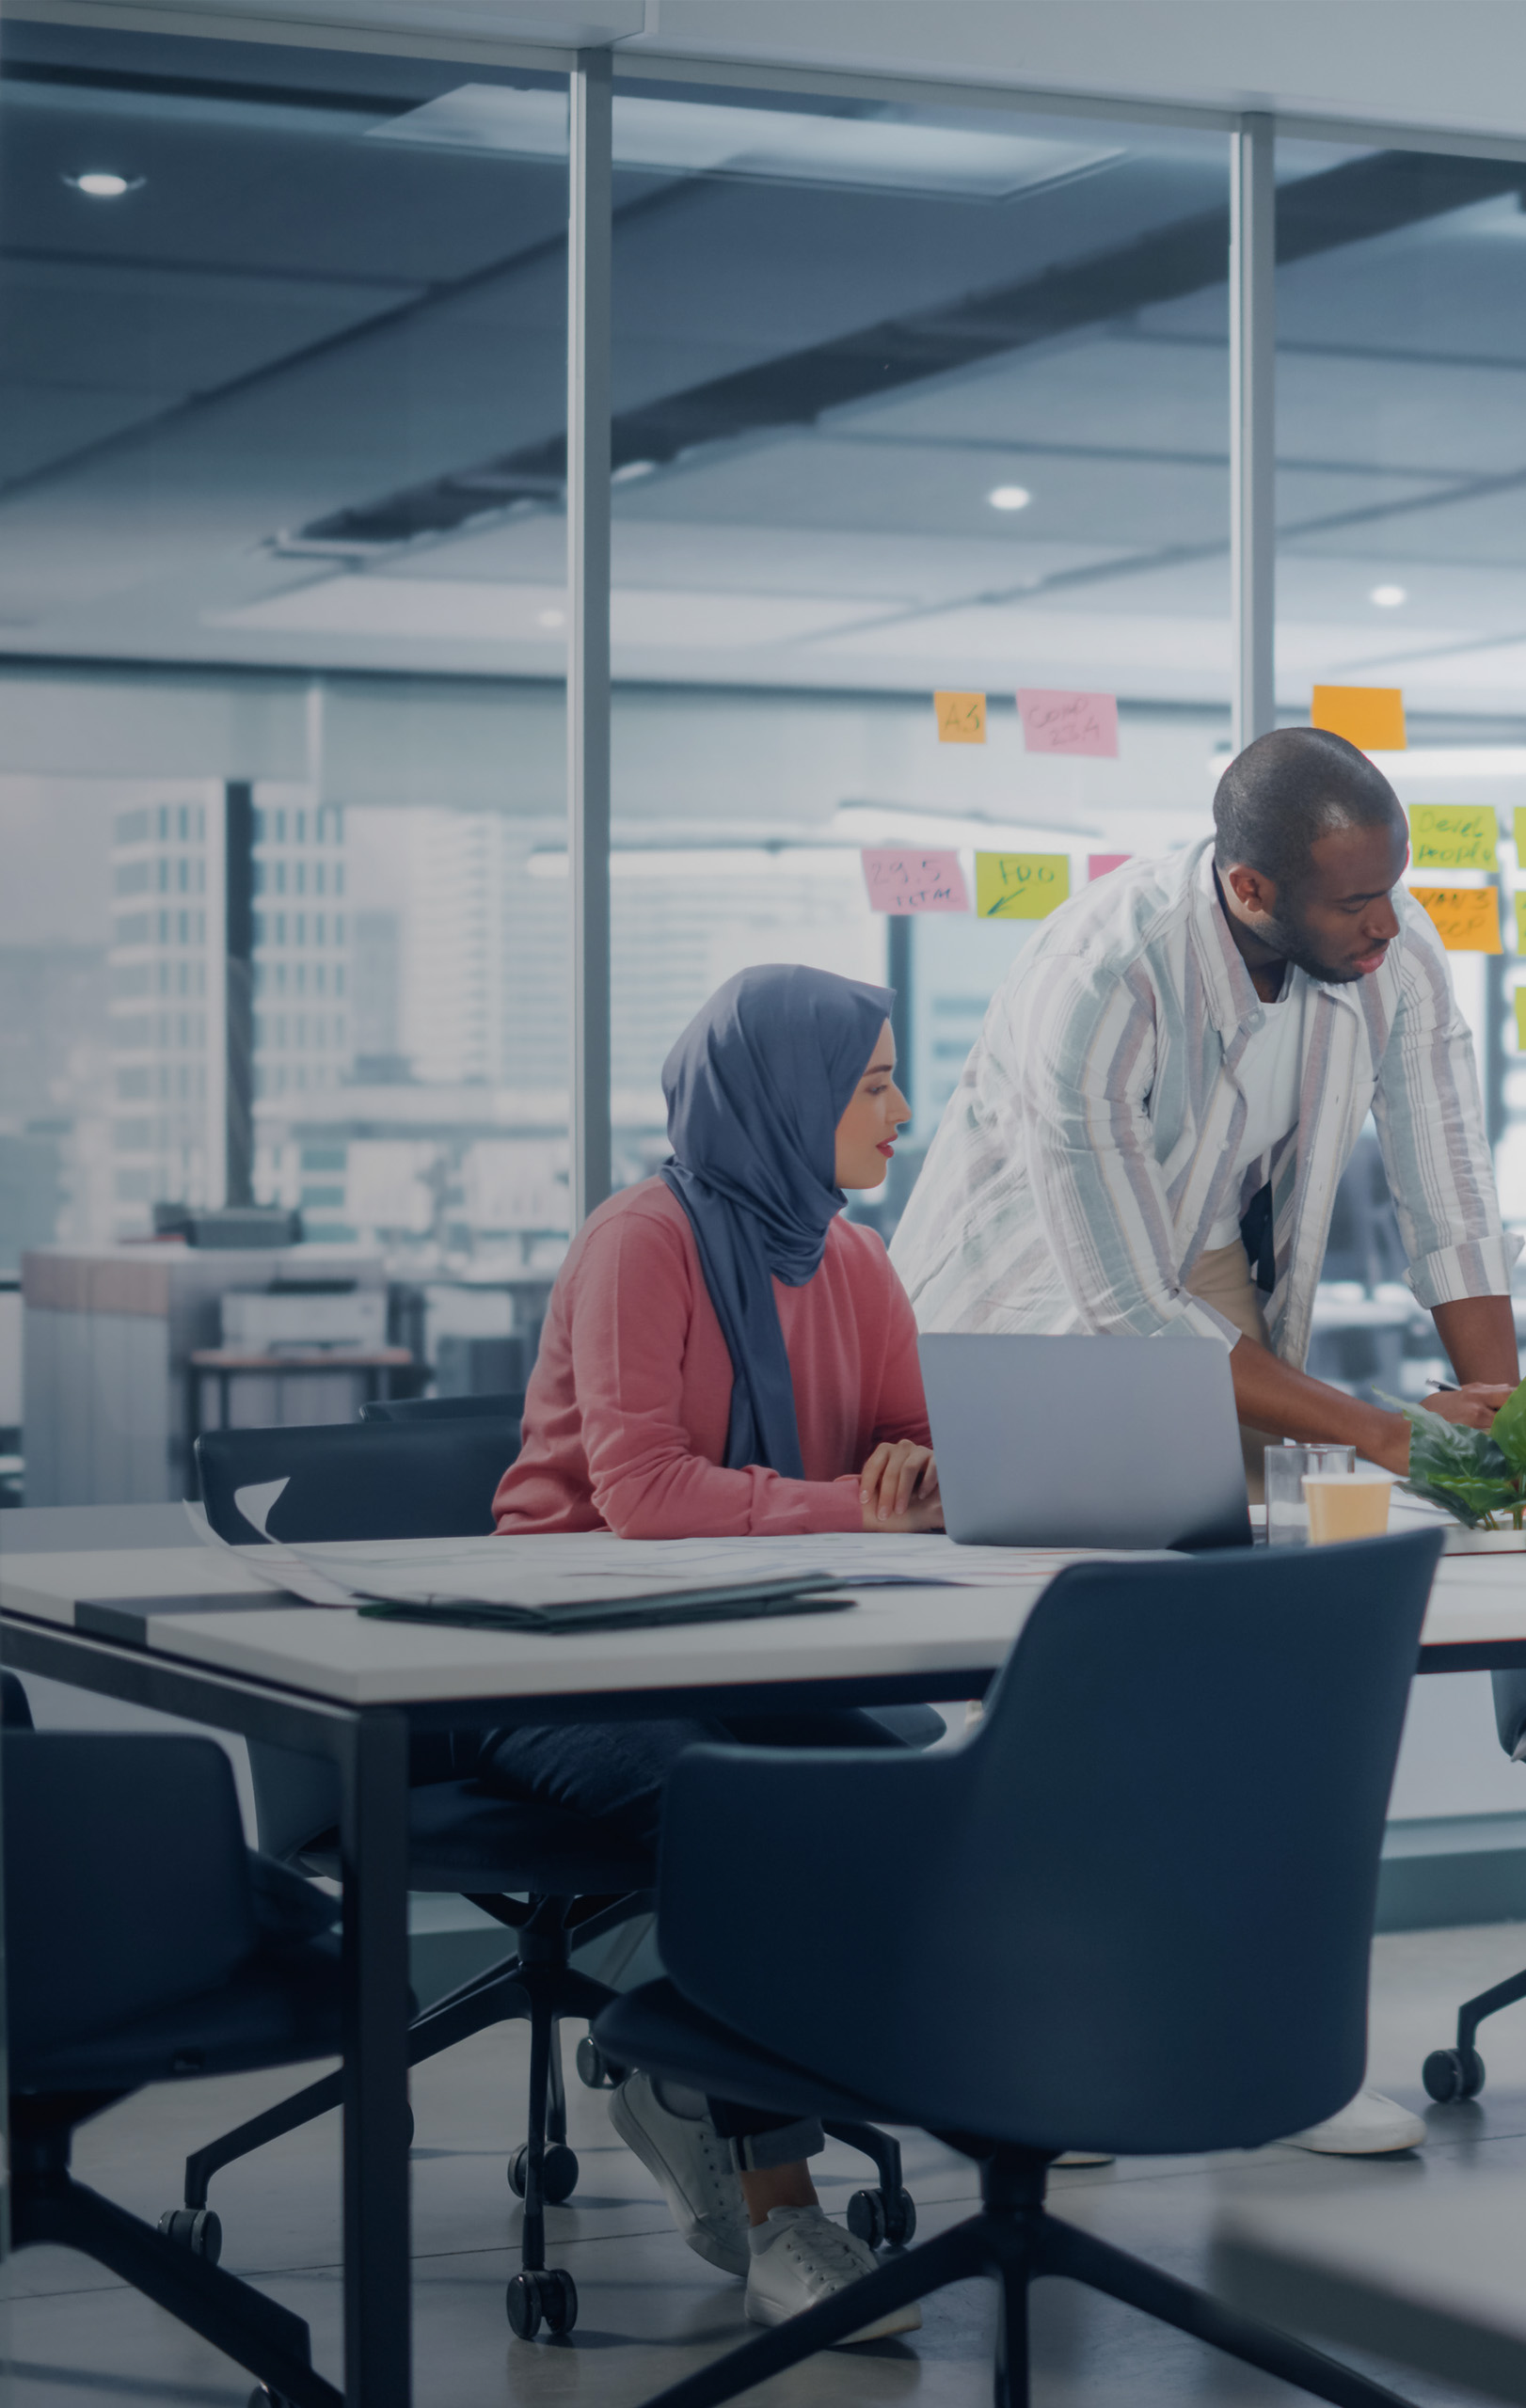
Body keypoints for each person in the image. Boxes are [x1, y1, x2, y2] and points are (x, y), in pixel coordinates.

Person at [890, 724, 1518, 2158]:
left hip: (1213, 1281)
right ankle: (1033, 2061)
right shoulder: (1098, 980)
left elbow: (1448, 1191)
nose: (1389, 924)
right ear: (1249, 891)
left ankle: (1265, 2057)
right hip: (1039, 1301)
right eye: (1356, 904)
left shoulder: (1387, 949)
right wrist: (1381, 1435)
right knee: (1068, 1686)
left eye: (1395, 892)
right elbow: (1120, 1307)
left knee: (1258, 1673)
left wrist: (1511, 1427)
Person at [486, 962, 937, 2344]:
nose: (903, 1115)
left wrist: (939, 1469)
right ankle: (778, 2201)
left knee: (912, 1805)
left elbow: (922, 1452)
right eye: (872, 1088)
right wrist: (851, 1502)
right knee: (753, 1820)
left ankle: (675, 2064)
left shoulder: (851, 1257)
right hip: (563, 1662)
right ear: (786, 1100)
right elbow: (645, 1495)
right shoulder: (644, 1240)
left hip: (762, 1644)